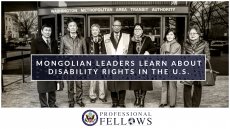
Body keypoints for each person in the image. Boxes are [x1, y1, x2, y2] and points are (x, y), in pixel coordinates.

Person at [60, 19, 87, 108]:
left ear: (77, 28)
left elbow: (85, 53)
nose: (72, 27)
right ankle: (71, 100)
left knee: (79, 84)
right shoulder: (63, 39)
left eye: (74, 26)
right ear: (68, 28)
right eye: (70, 26)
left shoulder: (82, 39)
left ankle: (79, 100)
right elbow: (61, 54)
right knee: (70, 84)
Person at [103, 20, 131, 108]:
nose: (117, 27)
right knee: (112, 84)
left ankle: (122, 102)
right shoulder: (106, 37)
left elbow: (130, 50)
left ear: (121, 27)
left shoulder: (126, 37)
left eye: (119, 25)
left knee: (122, 83)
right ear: (112, 26)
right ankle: (114, 102)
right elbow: (104, 51)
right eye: (115, 25)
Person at [129, 23, 157, 107]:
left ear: (142, 30)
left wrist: (148, 52)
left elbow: (154, 48)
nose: (137, 31)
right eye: (136, 29)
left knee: (144, 83)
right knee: (135, 82)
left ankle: (142, 99)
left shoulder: (147, 39)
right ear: (134, 31)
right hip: (134, 64)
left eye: (139, 29)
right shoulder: (131, 40)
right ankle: (137, 98)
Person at [31, 24, 59, 108]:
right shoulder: (35, 42)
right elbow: (33, 55)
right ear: (42, 31)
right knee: (42, 88)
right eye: (46, 30)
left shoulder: (54, 41)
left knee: (52, 87)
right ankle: (44, 105)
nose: (48, 32)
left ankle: (52, 103)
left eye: (49, 30)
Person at [182, 26, 210, 107]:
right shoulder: (185, 43)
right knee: (187, 88)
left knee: (197, 88)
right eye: (190, 33)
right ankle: (188, 107)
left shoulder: (204, 43)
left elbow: (208, 57)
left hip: (199, 68)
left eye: (194, 33)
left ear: (198, 34)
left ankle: (195, 106)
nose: (192, 35)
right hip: (188, 68)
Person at [159, 28, 181, 108]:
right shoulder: (163, 45)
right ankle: (163, 101)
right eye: (168, 34)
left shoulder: (178, 45)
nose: (169, 36)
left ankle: (172, 103)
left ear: (174, 36)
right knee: (164, 84)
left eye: (171, 34)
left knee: (172, 85)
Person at [86, 24, 107, 103]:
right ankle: (92, 96)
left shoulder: (102, 40)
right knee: (93, 80)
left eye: (96, 30)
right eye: (93, 30)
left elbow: (104, 51)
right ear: (91, 31)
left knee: (101, 80)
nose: (94, 31)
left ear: (99, 31)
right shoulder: (88, 40)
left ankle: (102, 96)